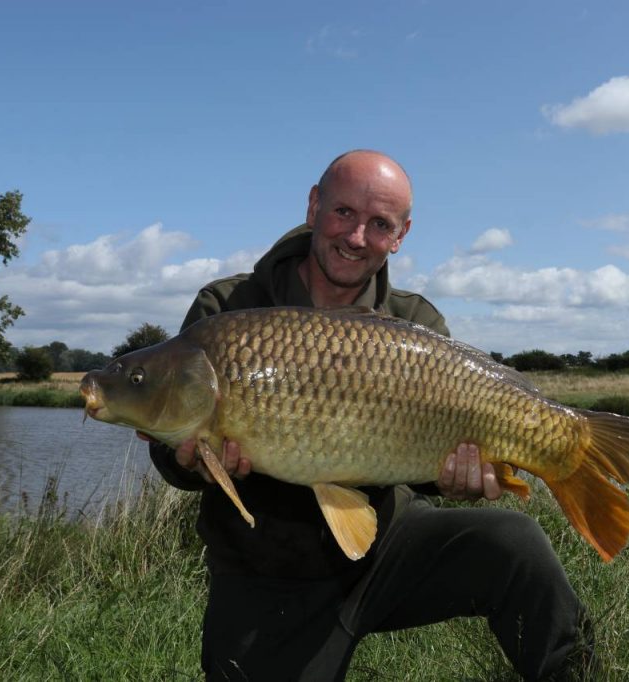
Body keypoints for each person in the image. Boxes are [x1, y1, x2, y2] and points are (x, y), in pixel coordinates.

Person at [146, 150, 594, 681]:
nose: (356, 237)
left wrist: (457, 479)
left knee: (515, 546)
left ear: (400, 235)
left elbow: (425, 467)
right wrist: (196, 461)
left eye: (379, 224)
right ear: (314, 206)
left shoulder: (414, 320)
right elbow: (167, 446)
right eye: (343, 213)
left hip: (390, 546)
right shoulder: (229, 308)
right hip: (267, 569)